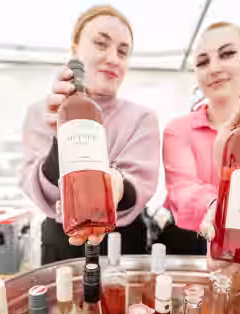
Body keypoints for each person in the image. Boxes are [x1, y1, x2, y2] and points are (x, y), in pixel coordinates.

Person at [20, 5, 160, 264]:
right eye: (100, 43)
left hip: (124, 242)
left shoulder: (142, 118)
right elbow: (39, 190)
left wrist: (114, 187)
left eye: (122, 52)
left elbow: (139, 187)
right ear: (74, 50)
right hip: (62, 243)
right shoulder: (43, 113)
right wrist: (61, 140)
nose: (113, 58)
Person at [160, 22, 240, 255]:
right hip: (183, 247)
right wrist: (216, 207)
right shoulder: (178, 130)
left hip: (238, 245)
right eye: (202, 62)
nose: (214, 68)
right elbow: (183, 191)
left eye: (227, 54)